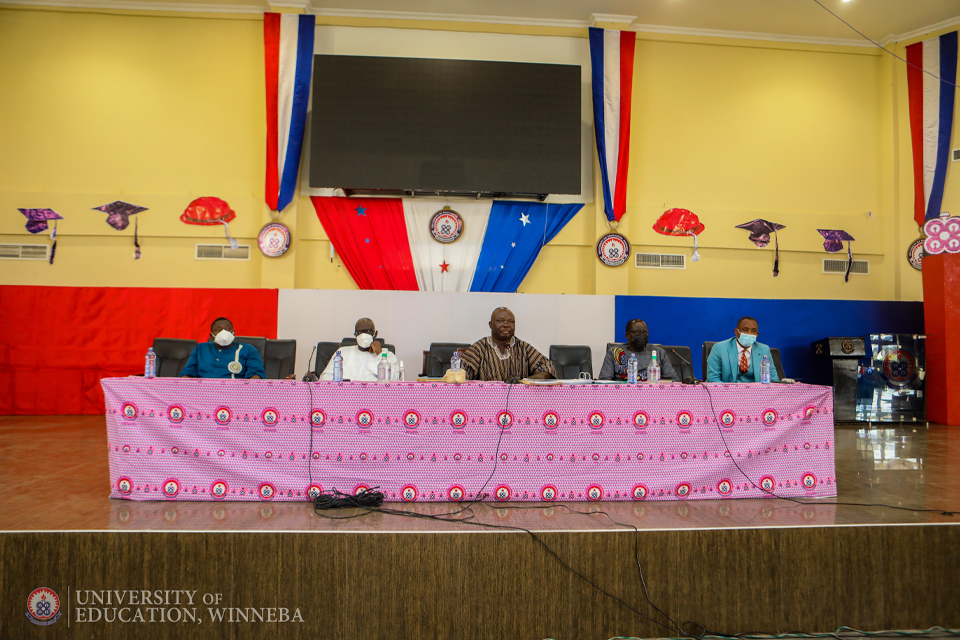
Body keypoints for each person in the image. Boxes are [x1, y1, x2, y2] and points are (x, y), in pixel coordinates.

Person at [460, 307, 555, 382]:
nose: (506, 325)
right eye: (500, 321)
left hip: (518, 402)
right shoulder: (479, 348)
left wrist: (525, 381)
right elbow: (461, 376)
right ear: (490, 324)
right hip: (486, 402)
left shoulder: (523, 347)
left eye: (511, 322)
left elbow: (547, 368)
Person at [180, 317, 265, 379]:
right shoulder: (201, 348)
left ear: (233, 333)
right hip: (203, 393)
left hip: (235, 393)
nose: (224, 332)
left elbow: (256, 376)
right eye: (218, 330)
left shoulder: (248, 350)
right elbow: (187, 373)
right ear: (212, 336)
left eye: (228, 329)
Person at [319, 317, 399, 381]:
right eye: (359, 332)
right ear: (355, 335)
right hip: (345, 397)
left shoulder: (389, 355)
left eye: (368, 331)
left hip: (374, 398)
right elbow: (325, 377)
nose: (363, 335)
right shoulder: (342, 353)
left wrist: (380, 354)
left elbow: (395, 380)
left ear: (375, 333)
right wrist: (341, 387)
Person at [598, 319, 678, 382]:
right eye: (637, 332)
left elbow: (673, 380)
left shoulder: (659, 352)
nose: (642, 335)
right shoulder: (614, 352)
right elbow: (604, 381)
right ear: (627, 336)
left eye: (644, 332)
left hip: (653, 396)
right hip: (622, 396)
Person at [706, 316, 780, 383]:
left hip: (755, 394)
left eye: (753, 331)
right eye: (745, 330)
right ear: (736, 332)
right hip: (727, 394)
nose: (749, 334)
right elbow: (713, 379)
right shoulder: (719, 348)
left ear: (757, 335)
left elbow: (773, 380)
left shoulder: (764, 350)